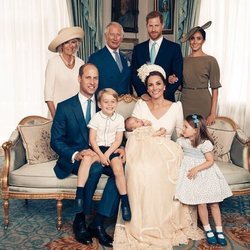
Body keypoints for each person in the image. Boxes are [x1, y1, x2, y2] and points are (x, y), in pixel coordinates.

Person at [113, 64, 204, 249]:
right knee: (140, 169)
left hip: (167, 150)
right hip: (142, 148)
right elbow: (130, 132)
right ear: (147, 88)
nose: (154, 88)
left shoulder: (176, 106)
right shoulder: (140, 104)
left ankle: (161, 220)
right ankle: (141, 221)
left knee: (160, 169)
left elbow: (180, 135)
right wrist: (146, 134)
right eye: (151, 85)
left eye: (158, 84)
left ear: (164, 86)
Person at [51, 63, 125, 248]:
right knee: (95, 167)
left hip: (102, 154)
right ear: (79, 79)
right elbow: (56, 140)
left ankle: (98, 223)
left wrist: (122, 147)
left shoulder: (105, 105)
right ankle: (80, 219)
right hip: (78, 160)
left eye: (95, 78)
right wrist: (76, 154)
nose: (92, 82)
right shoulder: (65, 107)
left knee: (122, 170)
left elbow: (114, 132)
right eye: (88, 77)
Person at [75, 88, 131, 222]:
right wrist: (100, 155)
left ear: (117, 103)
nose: (110, 105)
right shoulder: (96, 117)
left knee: (118, 167)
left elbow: (118, 140)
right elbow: (92, 140)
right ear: (100, 104)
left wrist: (107, 154)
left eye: (113, 102)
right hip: (96, 149)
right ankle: (79, 195)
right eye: (106, 102)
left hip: (111, 149)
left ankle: (125, 202)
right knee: (87, 159)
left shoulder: (119, 119)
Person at [175, 114, 232, 246]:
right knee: (201, 203)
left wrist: (196, 169)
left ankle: (219, 230)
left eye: (185, 127)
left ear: (195, 129)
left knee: (213, 203)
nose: (183, 129)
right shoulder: (181, 141)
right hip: (193, 177)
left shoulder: (204, 143)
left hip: (205, 174)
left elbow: (210, 161)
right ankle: (208, 230)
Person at [131, 11, 183, 102]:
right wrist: (143, 93)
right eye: (150, 26)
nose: (153, 29)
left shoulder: (174, 48)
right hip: (144, 100)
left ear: (162, 25)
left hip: (166, 100)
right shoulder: (138, 49)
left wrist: (161, 95)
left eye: (156, 25)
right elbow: (134, 74)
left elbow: (178, 76)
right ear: (147, 26)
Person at [180, 21, 221, 126]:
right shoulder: (182, 61)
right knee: (185, 135)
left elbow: (215, 90)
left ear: (203, 41)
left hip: (203, 103)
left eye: (199, 38)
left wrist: (212, 113)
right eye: (192, 38)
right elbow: (180, 85)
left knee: (202, 137)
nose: (195, 42)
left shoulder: (211, 61)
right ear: (189, 40)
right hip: (185, 102)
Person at [44, 26, 84, 119]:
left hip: (76, 115)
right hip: (57, 114)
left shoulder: (81, 63)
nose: (70, 46)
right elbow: (48, 95)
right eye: (66, 42)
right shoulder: (53, 62)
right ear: (61, 45)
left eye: (73, 42)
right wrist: (56, 118)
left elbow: (82, 91)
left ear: (76, 44)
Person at [88, 22, 131, 96]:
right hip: (105, 104)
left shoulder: (125, 58)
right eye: (112, 34)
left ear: (122, 37)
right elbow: (91, 86)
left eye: (118, 35)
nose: (115, 38)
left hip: (124, 104)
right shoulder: (95, 58)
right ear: (106, 36)